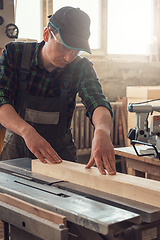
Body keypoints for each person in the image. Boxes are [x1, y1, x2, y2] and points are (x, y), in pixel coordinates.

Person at [0, 6, 116, 175]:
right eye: (63, 47)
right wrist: (26, 131)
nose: (69, 58)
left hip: (60, 156)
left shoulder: (80, 67)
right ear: (46, 34)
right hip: (16, 153)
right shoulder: (14, 54)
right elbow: (1, 99)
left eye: (76, 51)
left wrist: (102, 131)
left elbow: (97, 101)